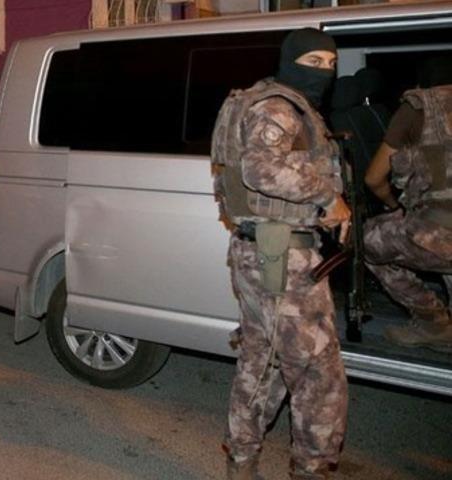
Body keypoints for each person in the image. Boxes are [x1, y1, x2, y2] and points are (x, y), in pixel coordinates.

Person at [211, 28, 351, 479]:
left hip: (259, 249)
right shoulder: (279, 106)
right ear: (291, 62)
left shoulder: (261, 100)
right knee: (317, 374)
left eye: (330, 64)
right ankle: (310, 468)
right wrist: (327, 197)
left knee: (263, 358)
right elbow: (259, 168)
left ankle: (242, 461)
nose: (323, 73)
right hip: (283, 256)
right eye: (313, 62)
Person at [363, 56, 452, 351]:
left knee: (365, 241)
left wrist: (393, 206)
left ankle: (434, 324)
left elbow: (374, 179)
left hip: (441, 233)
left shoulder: (417, 108)